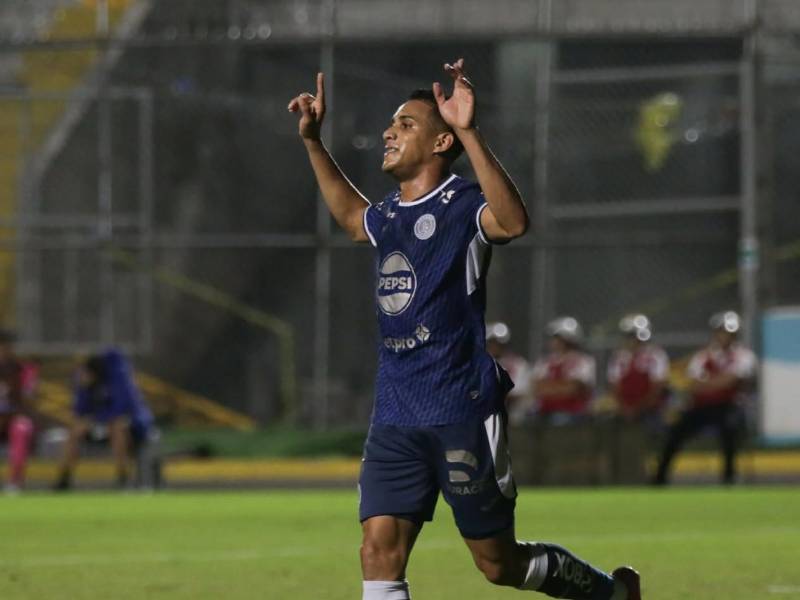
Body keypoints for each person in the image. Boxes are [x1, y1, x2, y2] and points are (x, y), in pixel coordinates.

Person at [288, 58, 640, 600]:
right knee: (378, 549)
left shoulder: (463, 205)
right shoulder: (388, 215)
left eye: (406, 124)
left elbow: (514, 223)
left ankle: (608, 594)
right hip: (396, 414)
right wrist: (313, 142)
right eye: (392, 123)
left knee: (497, 564)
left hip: (462, 411)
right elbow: (353, 220)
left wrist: (470, 131)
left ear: (440, 143)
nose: (389, 131)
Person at [653, 311, 757, 485]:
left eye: (729, 333)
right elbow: (693, 383)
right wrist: (717, 382)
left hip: (729, 406)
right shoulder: (702, 356)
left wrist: (709, 382)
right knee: (676, 431)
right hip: (702, 406)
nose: (724, 336)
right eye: (721, 331)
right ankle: (659, 479)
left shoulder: (745, 356)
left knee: (730, 429)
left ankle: (729, 478)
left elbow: (729, 382)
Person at [53, 348, 154, 491]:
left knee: (117, 427)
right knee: (75, 429)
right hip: (100, 426)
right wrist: (90, 421)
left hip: (129, 428)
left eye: (84, 374)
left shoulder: (117, 380)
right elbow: (79, 411)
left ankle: (123, 477)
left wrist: (99, 419)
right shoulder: (84, 386)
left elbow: (122, 410)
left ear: (93, 373)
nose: (80, 377)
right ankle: (64, 478)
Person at [607, 314, 669, 424]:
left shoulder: (656, 355)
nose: (629, 340)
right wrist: (624, 408)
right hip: (625, 409)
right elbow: (614, 386)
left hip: (650, 410)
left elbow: (658, 387)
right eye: (628, 336)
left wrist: (638, 409)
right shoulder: (619, 357)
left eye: (631, 336)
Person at [531, 317, 596, 423]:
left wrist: (550, 388)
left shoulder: (583, 361)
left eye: (556, 337)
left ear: (567, 339)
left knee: (559, 419)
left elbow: (574, 389)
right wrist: (561, 387)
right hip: (545, 411)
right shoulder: (545, 362)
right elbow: (537, 388)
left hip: (572, 412)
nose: (552, 341)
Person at [0, 330, 35, 493]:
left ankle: (15, 481)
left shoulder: (22, 370)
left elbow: (29, 400)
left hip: (14, 418)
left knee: (20, 427)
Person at [486, 322, 534, 423]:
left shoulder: (518, 364)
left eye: (498, 343)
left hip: (512, 417)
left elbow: (518, 392)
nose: (495, 346)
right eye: (492, 342)